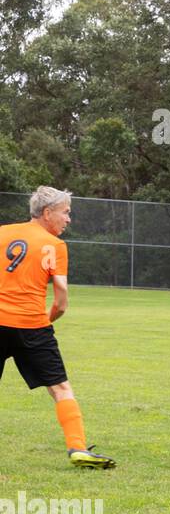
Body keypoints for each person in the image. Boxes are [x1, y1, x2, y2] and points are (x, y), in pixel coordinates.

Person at [0, 187, 115, 468]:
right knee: (60, 388)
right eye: (66, 212)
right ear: (47, 213)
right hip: (32, 325)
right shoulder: (54, 246)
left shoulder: (2, 232)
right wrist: (46, 320)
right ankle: (77, 448)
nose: (69, 219)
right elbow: (61, 299)